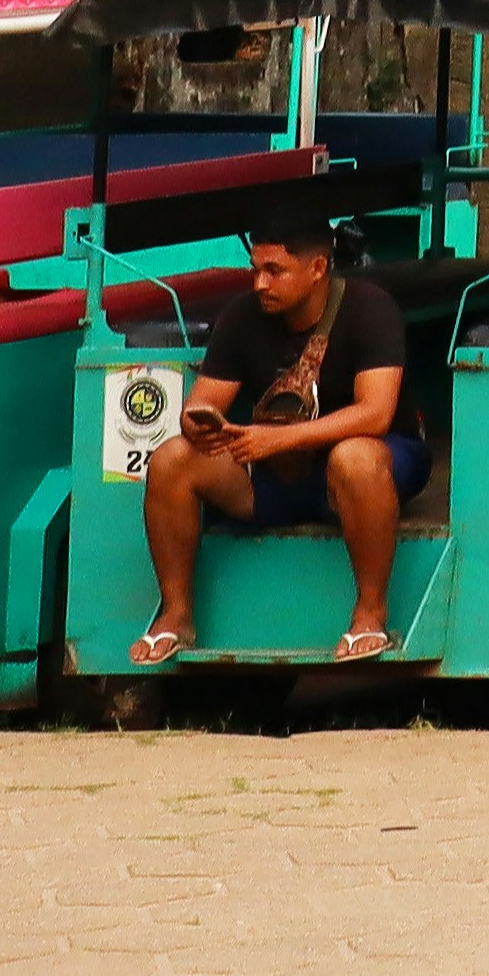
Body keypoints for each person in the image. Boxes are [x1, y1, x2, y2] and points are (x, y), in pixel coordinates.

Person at [135, 200, 417, 668]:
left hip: (368, 468)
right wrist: (201, 423)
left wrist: (281, 438)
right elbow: (204, 402)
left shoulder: (371, 309)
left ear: (318, 269)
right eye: (255, 270)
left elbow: (376, 413)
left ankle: (370, 614)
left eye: (275, 270)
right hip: (274, 473)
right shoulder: (244, 315)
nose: (260, 283)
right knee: (171, 460)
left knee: (355, 457)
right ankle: (176, 614)